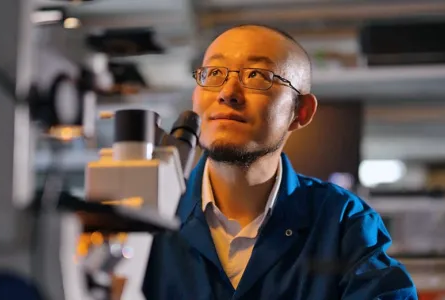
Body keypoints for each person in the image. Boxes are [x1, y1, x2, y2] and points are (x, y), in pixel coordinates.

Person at [143, 24, 417, 300]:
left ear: (301, 111)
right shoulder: (146, 212)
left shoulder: (342, 222)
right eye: (214, 73)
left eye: (257, 75)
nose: (227, 93)